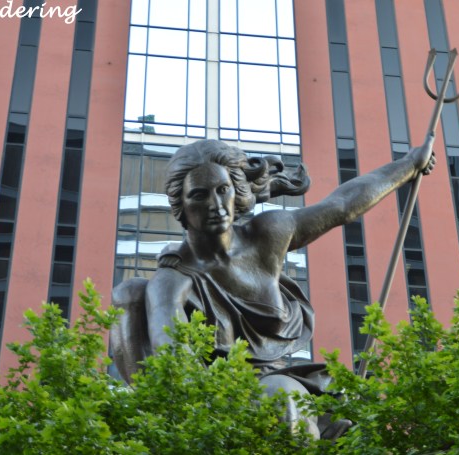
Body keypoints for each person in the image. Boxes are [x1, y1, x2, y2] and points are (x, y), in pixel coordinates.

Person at [110, 138, 435, 438]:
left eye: (223, 190)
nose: (215, 204)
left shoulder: (267, 234)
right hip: (215, 393)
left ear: (236, 190)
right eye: (199, 195)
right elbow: (172, 354)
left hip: (276, 381)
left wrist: (408, 164)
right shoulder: (173, 278)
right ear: (180, 204)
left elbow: (342, 206)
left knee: (279, 397)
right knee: (130, 292)